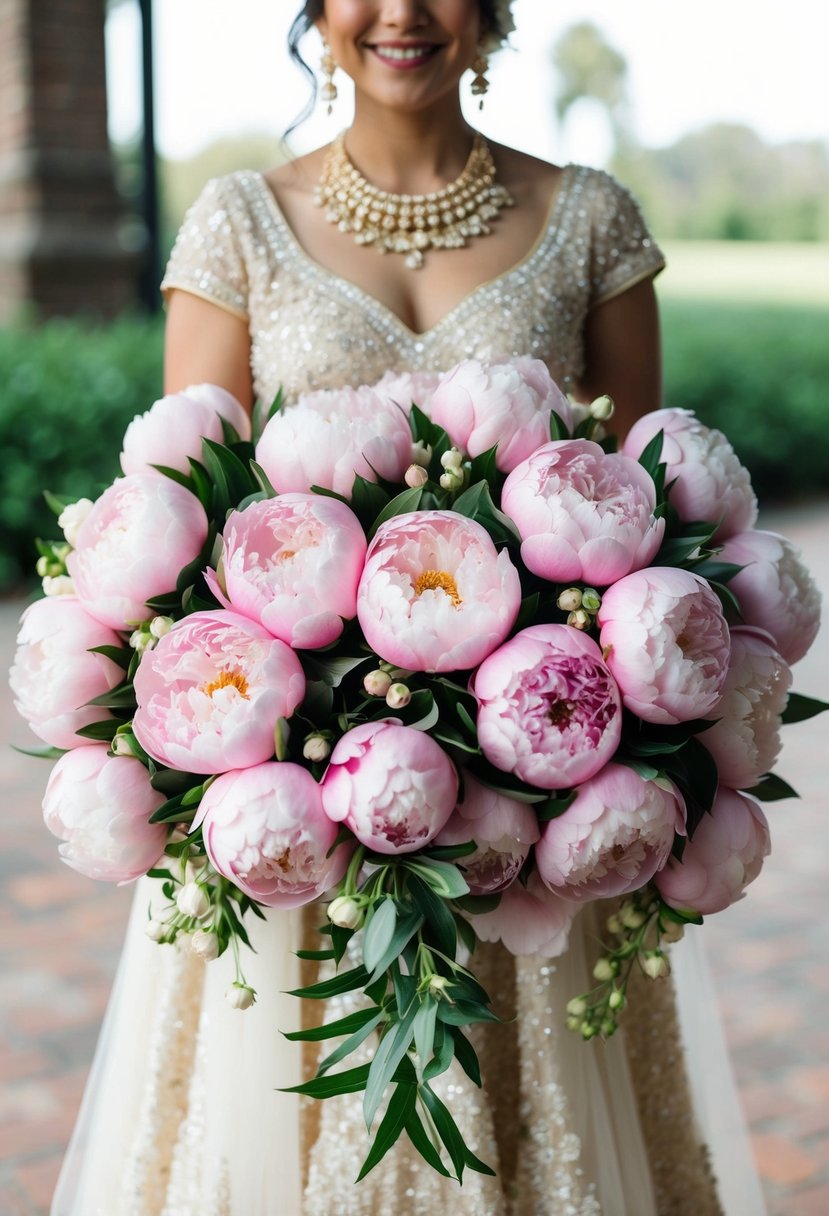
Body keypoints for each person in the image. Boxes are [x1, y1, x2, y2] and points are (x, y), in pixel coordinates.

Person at [52, 3, 766, 1213]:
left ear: (489, 13)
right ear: (319, 13)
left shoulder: (589, 219)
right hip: (309, 822)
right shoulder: (239, 222)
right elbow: (188, 551)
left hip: (528, 834)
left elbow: (641, 538)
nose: (401, 12)